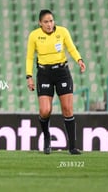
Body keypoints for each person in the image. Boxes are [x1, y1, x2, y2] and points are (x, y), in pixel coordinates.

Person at [25, 9, 86, 155]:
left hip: (62, 73)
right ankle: (47, 137)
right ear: (40, 23)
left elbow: (71, 48)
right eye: (45, 22)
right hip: (44, 74)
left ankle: (72, 147)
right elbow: (29, 58)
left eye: (51, 21)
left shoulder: (63, 32)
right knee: (45, 111)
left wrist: (79, 60)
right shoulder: (34, 35)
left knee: (67, 109)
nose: (49, 24)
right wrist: (29, 76)